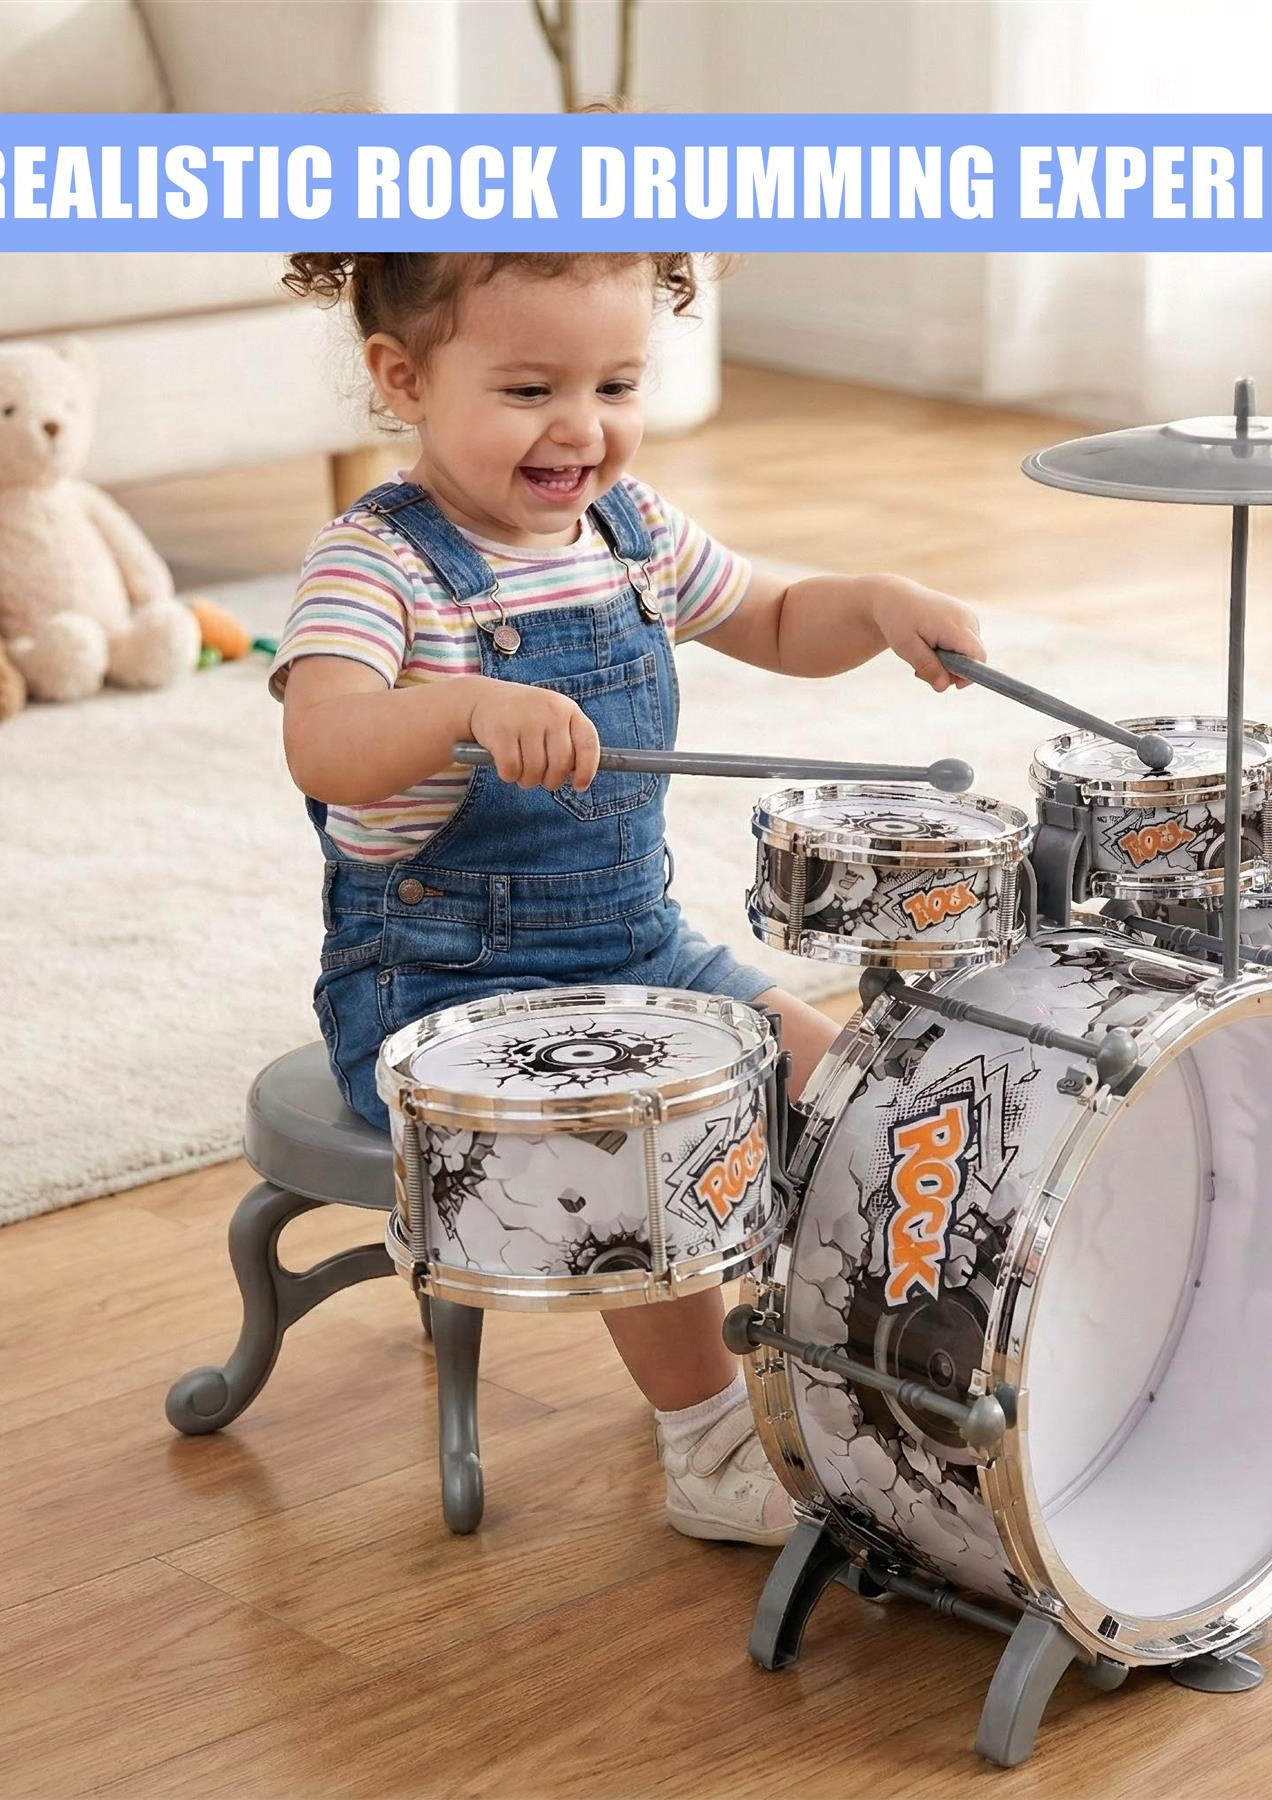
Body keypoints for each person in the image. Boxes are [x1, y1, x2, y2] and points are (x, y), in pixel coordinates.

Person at [274, 249, 985, 1547]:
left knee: (867, 1101)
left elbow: (773, 617)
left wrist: (874, 604)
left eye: (616, 382)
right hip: (444, 987)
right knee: (644, 1154)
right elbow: (324, 743)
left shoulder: (632, 530)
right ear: (402, 378)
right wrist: (464, 708)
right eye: (531, 386)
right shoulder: (374, 565)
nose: (582, 426)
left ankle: (845, 1360)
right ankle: (708, 1439)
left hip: (636, 950)